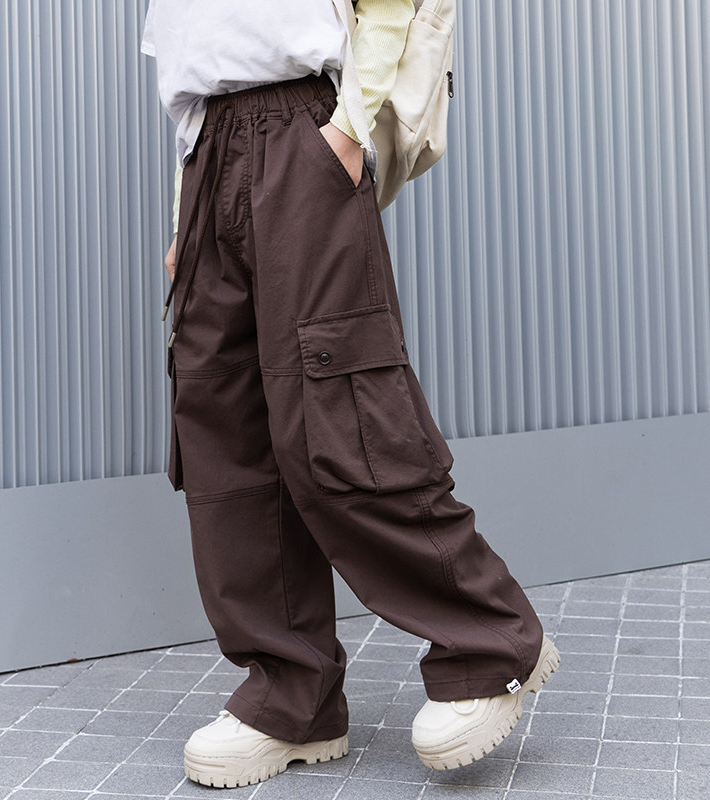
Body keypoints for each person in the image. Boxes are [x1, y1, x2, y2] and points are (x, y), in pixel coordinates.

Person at [141, 0, 559, 788]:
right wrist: (184, 206)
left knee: (338, 410)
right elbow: (197, 50)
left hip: (303, 128)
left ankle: (490, 639)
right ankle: (288, 695)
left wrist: (347, 128)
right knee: (223, 426)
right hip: (208, 154)